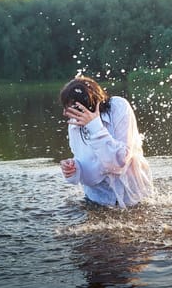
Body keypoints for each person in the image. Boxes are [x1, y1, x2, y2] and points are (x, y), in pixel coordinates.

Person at [59, 76, 153, 208]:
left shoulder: (118, 107)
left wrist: (94, 126)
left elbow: (120, 162)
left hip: (134, 198)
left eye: (70, 107)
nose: (65, 113)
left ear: (86, 106)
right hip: (97, 200)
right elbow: (89, 172)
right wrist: (74, 169)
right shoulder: (74, 124)